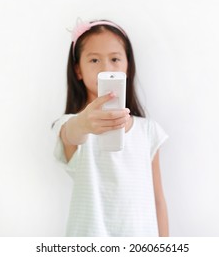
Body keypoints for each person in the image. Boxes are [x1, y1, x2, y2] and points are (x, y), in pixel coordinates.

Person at [52, 19, 169, 236]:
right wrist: (83, 123)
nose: (106, 68)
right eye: (94, 60)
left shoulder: (148, 131)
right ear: (78, 70)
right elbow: (71, 134)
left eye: (115, 59)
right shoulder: (70, 124)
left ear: (127, 66)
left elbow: (158, 200)